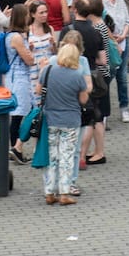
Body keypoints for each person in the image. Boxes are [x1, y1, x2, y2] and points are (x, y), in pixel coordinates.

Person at [36, 39, 88, 205]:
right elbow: (83, 99)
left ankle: (49, 192)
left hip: (50, 119)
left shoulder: (48, 70)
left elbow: (38, 90)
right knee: (67, 156)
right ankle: (64, 192)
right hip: (71, 120)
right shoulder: (78, 75)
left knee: (51, 156)